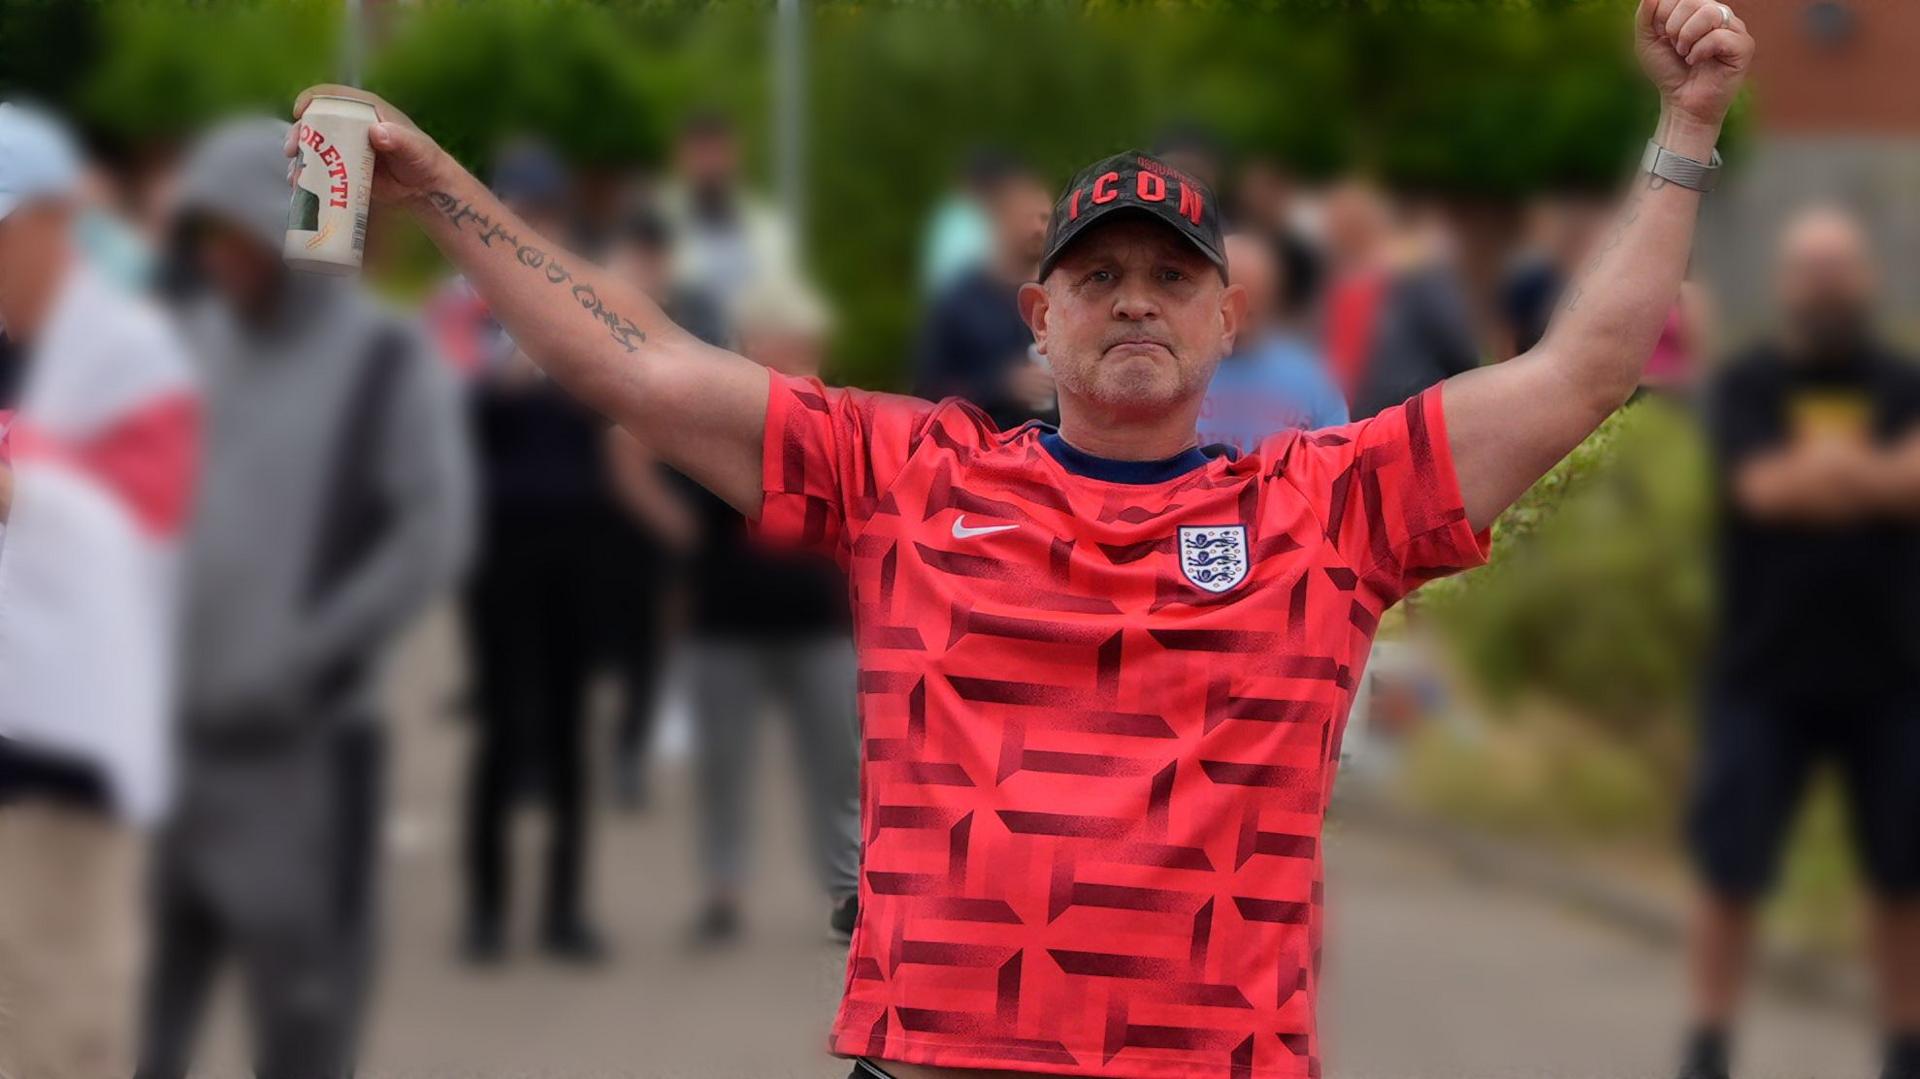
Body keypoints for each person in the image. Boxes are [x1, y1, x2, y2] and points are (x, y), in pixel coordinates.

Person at [291, 5, 1749, 1072]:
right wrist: (433, 186)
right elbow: (637, 365)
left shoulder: (1326, 505)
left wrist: (1686, 130)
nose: (1132, 299)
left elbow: (1582, 373)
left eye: (1170, 280)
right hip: (937, 1057)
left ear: (1228, 322)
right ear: (1034, 319)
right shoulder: (908, 474)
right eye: (1095, 274)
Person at [131, 117, 472, 1079]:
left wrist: (306, 657)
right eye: (205, 236)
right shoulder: (184, 346)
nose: (217, 257)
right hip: (175, 753)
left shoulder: (384, 363)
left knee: (303, 1030)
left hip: (305, 757)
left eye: (233, 233)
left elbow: (427, 536)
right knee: (141, 1028)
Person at [1680, 206, 1920, 1079]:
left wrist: (1827, 475)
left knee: (1903, 874)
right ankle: (1707, 1043)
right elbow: (1764, 492)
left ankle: (1904, 1041)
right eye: (1809, 266)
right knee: (1729, 869)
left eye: (1838, 266)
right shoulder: (1751, 384)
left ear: (1865, 279)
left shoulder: (1904, 381)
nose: (1824, 280)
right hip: (1762, 672)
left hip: (1895, 673)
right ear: (1786, 283)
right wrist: (1874, 477)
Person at [0, 101, 200, 1079]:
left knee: (59, 1027)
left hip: (61, 764)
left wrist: (22, 482)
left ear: (50, 218)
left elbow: (141, 530)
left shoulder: (130, 353)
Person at [646, 278, 862, 947]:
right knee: (724, 765)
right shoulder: (717, 413)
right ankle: (723, 885)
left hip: (822, 619)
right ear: (752, 342)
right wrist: (677, 550)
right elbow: (640, 455)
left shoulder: (842, 419)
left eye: (809, 341)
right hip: (726, 617)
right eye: (787, 339)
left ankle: (851, 887)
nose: (802, 351)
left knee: (838, 763)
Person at [452, 141, 621, 965]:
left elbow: (624, 395)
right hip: (496, 535)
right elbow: (450, 416)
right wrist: (508, 373)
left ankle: (563, 910)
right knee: (499, 723)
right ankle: (485, 909)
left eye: (541, 210)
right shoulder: (463, 305)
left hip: (578, 533)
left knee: (567, 725)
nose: (529, 223)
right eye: (515, 207)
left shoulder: (581, 298)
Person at [599, 203, 724, 809]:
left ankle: (654, 727)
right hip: (613, 498)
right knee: (627, 634)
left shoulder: (693, 315)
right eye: (637, 258)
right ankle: (626, 743)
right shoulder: (599, 316)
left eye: (653, 258)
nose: (646, 269)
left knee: (671, 621)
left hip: (682, 483)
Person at [912, 160, 1056, 428]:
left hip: (1057, 459)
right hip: (981, 457)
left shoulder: (1065, 295)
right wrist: (1001, 388)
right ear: (998, 222)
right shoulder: (960, 300)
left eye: (1045, 218)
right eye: (1026, 218)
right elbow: (926, 389)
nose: (1038, 228)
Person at [1198, 233, 1347, 452]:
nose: (1238, 318)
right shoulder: (1178, 368)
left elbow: (1339, 465)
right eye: (1232, 301)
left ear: (1273, 296)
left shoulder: (1311, 380)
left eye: (1250, 310)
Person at [658, 110, 802, 321]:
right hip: (677, 343)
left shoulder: (766, 224)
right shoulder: (654, 218)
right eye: (701, 153)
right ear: (681, 158)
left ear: (736, 156)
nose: (710, 165)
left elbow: (787, 298)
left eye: (718, 152)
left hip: (754, 343)